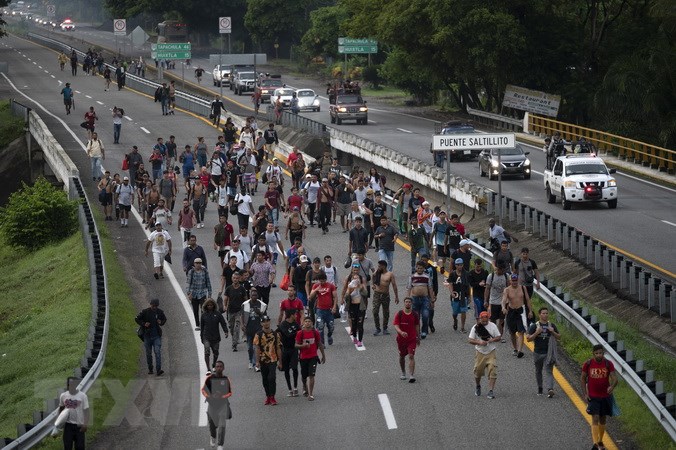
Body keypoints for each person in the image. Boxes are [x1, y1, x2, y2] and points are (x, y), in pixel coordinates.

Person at [581, 344, 618, 450]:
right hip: (593, 396)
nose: (598, 355)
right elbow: (583, 378)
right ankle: (595, 443)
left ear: (603, 353)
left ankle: (600, 440)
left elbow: (615, 379)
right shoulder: (588, 364)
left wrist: (612, 386)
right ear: (593, 354)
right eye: (596, 353)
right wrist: (585, 393)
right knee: (595, 418)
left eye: (600, 353)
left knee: (602, 419)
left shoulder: (608, 364)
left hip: (605, 396)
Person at [526, 307, 561, 397]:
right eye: (543, 313)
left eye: (546, 313)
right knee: (538, 370)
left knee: (549, 371)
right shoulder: (535, 325)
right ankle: (540, 387)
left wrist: (553, 332)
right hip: (537, 352)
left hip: (548, 353)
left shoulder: (551, 325)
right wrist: (537, 333)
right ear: (539, 314)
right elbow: (528, 339)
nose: (545, 315)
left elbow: (559, 337)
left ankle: (550, 389)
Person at [468, 311, 502, 399]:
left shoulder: (493, 326)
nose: (484, 323)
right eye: (483, 321)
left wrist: (492, 340)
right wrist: (479, 342)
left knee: (493, 370)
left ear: (488, 319)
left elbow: (498, 337)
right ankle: (478, 385)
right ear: (480, 319)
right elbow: (470, 340)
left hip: (491, 351)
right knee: (478, 372)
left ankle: (491, 391)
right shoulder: (475, 327)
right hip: (480, 352)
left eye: (486, 321)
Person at [201, 361, 232, 450]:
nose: (219, 368)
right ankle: (213, 436)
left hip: (223, 405)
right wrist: (210, 396)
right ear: (215, 368)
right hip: (212, 404)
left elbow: (230, 393)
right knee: (212, 423)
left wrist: (222, 396)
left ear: (223, 368)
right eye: (217, 366)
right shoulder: (210, 379)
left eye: (220, 366)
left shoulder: (226, 379)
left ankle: (220, 445)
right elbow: (203, 390)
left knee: (222, 425)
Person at [51, 377, 89, 449]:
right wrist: (58, 426)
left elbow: (86, 411)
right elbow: (61, 410)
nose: (70, 386)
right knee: (67, 447)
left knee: (80, 447)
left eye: (72, 384)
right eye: (69, 384)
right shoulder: (63, 396)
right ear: (67, 385)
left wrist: (85, 424)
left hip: (79, 426)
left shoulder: (83, 396)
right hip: (68, 426)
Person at [501, 273, 533, 358]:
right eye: (513, 281)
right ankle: (515, 348)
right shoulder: (507, 290)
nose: (514, 282)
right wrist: (503, 307)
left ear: (518, 280)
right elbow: (504, 300)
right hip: (511, 311)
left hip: (521, 311)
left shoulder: (523, 288)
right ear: (510, 281)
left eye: (516, 281)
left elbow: (527, 299)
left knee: (521, 331)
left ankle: (520, 350)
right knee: (512, 332)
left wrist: (530, 311)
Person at [295, 317, 326, 400]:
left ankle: (311, 394)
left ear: (312, 323)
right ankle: (304, 386)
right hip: (303, 357)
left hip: (313, 357)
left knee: (311, 375)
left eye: (309, 321)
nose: (307, 323)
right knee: (304, 376)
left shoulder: (315, 333)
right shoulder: (300, 333)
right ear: (303, 323)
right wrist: (303, 346)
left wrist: (323, 355)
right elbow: (296, 345)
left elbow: (319, 344)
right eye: (306, 321)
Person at [254, 315, 282, 405]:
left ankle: (273, 396)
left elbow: (278, 348)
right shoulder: (258, 335)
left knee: (272, 377)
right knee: (265, 378)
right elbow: (257, 348)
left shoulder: (275, 334)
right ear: (261, 323)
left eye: (267, 321)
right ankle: (268, 396)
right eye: (264, 321)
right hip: (263, 359)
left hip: (273, 359)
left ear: (270, 322)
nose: (266, 323)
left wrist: (280, 361)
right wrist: (257, 361)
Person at [135, 298, 167, 376]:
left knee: (157, 352)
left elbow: (164, 319)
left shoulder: (160, 312)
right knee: (148, 353)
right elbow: (136, 319)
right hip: (147, 336)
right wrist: (144, 324)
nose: (154, 307)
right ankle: (150, 369)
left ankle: (158, 369)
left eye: (156, 306)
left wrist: (161, 322)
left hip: (156, 336)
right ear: (150, 305)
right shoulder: (145, 312)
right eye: (153, 306)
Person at [393, 297, 420, 382]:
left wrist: (418, 337)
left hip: (411, 339)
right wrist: (401, 332)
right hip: (401, 340)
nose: (408, 303)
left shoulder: (415, 314)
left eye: (409, 302)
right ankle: (403, 372)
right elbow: (396, 325)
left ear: (411, 304)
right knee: (402, 356)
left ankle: (411, 375)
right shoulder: (399, 314)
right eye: (406, 302)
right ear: (404, 303)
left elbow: (417, 326)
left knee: (411, 355)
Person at [406, 261, 434, 339]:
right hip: (415, 299)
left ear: (423, 269)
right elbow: (408, 288)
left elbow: (430, 288)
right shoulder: (412, 277)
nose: (419, 269)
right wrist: (407, 299)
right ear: (416, 268)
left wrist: (432, 300)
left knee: (425, 315)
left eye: (421, 268)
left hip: (425, 299)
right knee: (416, 317)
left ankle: (424, 330)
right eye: (418, 268)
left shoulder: (427, 277)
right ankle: (416, 333)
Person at [309, 271, 337, 345]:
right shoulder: (316, 286)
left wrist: (334, 307)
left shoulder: (331, 286)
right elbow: (310, 297)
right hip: (320, 310)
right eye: (321, 281)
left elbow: (335, 297)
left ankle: (329, 335)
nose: (322, 282)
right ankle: (322, 343)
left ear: (326, 279)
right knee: (320, 327)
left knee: (331, 326)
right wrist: (316, 290)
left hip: (329, 310)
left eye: (323, 281)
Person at [371, 259, 399, 336]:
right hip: (377, 294)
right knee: (375, 311)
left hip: (385, 295)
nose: (378, 267)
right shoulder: (377, 272)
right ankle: (377, 328)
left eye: (380, 266)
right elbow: (373, 276)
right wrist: (373, 284)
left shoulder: (390, 274)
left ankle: (385, 328)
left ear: (384, 266)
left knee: (386, 312)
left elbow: (394, 285)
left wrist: (396, 296)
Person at [201, 299, 228, 374]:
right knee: (207, 352)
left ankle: (214, 364)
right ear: (206, 306)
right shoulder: (203, 315)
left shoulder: (218, 314)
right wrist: (202, 338)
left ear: (214, 306)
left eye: (211, 305)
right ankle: (208, 368)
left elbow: (223, 323)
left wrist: (226, 331)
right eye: (208, 305)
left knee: (216, 352)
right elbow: (202, 327)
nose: (210, 306)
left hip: (215, 337)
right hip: (206, 336)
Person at [277, 309, 301, 397]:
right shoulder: (283, 324)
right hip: (285, 349)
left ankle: (295, 387)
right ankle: (289, 389)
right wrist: (297, 333)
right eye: (295, 314)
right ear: (291, 315)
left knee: (295, 368)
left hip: (294, 349)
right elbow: (288, 334)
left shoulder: (295, 324)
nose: (296, 316)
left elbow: (300, 333)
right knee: (286, 370)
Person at [242, 288, 267, 370]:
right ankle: (250, 361)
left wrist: (259, 313)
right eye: (252, 295)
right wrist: (243, 325)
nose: (254, 297)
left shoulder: (262, 305)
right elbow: (242, 315)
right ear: (250, 295)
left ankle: (256, 363)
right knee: (249, 348)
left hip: (258, 329)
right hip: (249, 330)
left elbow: (265, 318)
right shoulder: (245, 304)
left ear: (257, 296)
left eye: (255, 295)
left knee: (256, 347)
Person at [224, 272, 248, 351]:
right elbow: (226, 299)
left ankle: (234, 345)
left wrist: (247, 307)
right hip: (230, 311)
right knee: (231, 327)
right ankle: (235, 338)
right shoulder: (228, 288)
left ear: (239, 279)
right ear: (232, 278)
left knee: (236, 328)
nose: (235, 280)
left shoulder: (242, 289)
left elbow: (246, 299)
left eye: (237, 278)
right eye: (234, 278)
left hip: (239, 311)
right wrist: (224, 306)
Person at [445, 257, 470, 333]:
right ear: (455, 265)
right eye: (458, 265)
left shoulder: (466, 274)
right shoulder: (452, 274)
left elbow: (468, 285)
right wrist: (451, 292)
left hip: (463, 295)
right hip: (455, 295)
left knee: (463, 311)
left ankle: (462, 327)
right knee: (455, 312)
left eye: (461, 265)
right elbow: (450, 283)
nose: (460, 266)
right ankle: (455, 320)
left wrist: (469, 296)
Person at [186, 258, 212, 330]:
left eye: (199, 263)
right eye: (196, 263)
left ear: (201, 264)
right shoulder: (191, 272)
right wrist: (188, 293)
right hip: (194, 293)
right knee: (195, 310)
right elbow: (188, 283)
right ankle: (197, 324)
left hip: (202, 293)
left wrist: (209, 293)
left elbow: (208, 282)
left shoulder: (204, 271)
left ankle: (203, 324)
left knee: (203, 309)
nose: (198, 264)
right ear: (194, 264)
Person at [345, 273, 368, 347]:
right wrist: (350, 289)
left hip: (360, 307)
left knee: (360, 325)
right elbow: (346, 297)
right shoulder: (350, 286)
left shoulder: (361, 286)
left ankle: (360, 340)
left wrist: (360, 287)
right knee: (354, 324)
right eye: (354, 278)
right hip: (352, 307)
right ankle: (354, 336)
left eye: (357, 278)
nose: (356, 280)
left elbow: (365, 294)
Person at [468, 258, 489, 323]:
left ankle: (485, 323)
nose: (479, 267)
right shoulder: (471, 273)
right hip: (476, 295)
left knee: (484, 310)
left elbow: (487, 282)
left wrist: (484, 283)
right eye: (477, 266)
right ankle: (478, 324)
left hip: (484, 294)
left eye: (480, 266)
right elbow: (471, 284)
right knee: (478, 309)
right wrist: (479, 284)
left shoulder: (485, 272)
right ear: (475, 265)